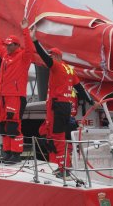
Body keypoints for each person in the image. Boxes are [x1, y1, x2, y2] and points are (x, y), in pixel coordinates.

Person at [30, 29, 94, 178]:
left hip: (56, 105)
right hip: (65, 107)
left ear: (57, 56)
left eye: (52, 55)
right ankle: (63, 166)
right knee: (58, 138)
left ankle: (62, 168)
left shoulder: (57, 66)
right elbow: (80, 89)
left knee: (56, 138)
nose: (50, 57)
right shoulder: (70, 70)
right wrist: (90, 101)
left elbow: (44, 57)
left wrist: (34, 41)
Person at [0, 16, 34, 165]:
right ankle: (7, 153)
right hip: (2, 96)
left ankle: (16, 154)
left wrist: (25, 30)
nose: (7, 47)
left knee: (13, 126)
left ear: (17, 45)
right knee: (1, 125)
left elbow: (30, 48)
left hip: (15, 96)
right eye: (7, 45)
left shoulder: (23, 57)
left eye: (10, 45)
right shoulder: (5, 55)